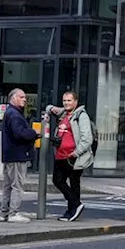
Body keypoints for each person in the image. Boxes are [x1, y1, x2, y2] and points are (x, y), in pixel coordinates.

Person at [44, 91, 94, 222]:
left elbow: (87, 138)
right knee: (57, 180)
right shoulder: (64, 113)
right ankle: (75, 205)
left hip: (73, 156)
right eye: (64, 100)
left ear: (76, 102)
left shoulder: (81, 116)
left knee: (74, 183)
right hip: (60, 155)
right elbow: (49, 108)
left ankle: (72, 210)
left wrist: (76, 153)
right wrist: (51, 110)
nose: (66, 103)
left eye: (69, 100)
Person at [0, 88, 38, 223]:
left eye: (25, 97)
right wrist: (33, 133)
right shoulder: (15, 115)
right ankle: (13, 213)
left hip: (10, 155)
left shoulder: (10, 113)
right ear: (13, 98)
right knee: (17, 185)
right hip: (17, 155)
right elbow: (20, 133)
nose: (25, 99)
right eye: (21, 97)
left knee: (8, 185)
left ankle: (4, 213)